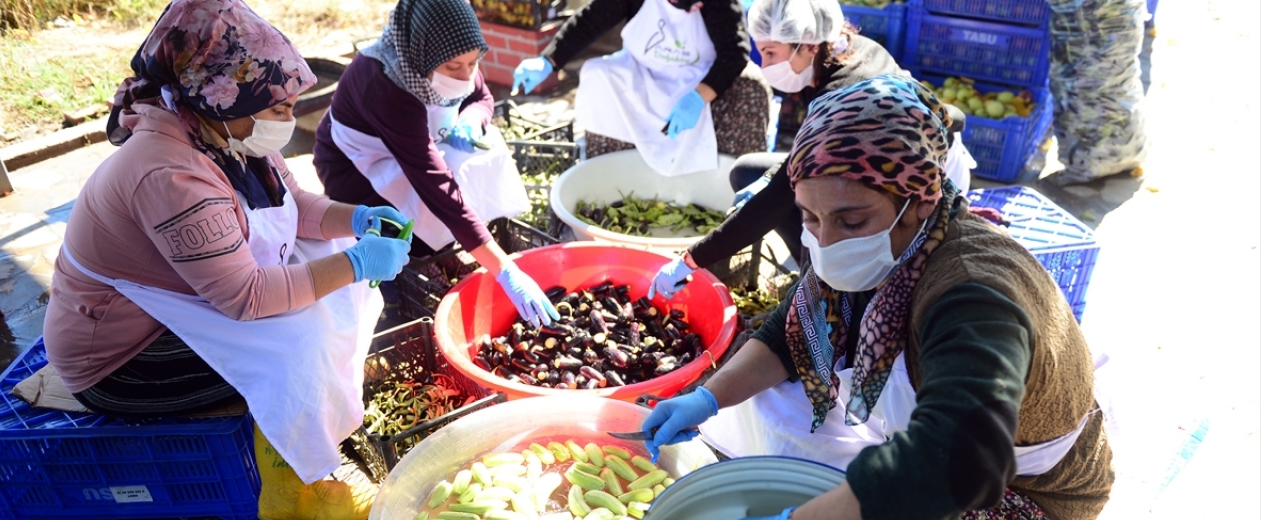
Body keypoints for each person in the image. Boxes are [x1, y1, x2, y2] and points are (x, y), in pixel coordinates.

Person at [642, 76, 1115, 520]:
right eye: (809, 219)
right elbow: (788, 335)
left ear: (919, 201)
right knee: (777, 413)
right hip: (920, 430)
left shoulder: (974, 297)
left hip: (1028, 490)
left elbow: (956, 462)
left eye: (851, 220)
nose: (825, 241)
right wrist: (706, 396)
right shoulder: (877, 252)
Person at [43, 0, 411, 520]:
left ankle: (317, 422)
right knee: (296, 338)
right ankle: (292, 491)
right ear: (218, 98)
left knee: (321, 279)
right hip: (123, 358)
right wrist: (356, 264)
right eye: (277, 105)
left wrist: (356, 220)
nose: (289, 115)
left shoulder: (222, 133)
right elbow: (248, 299)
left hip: (180, 305)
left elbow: (293, 204)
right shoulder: (169, 174)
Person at [646, 0, 976, 299]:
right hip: (886, 159)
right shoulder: (840, 53)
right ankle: (815, 276)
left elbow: (777, 194)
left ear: (807, 45)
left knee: (806, 209)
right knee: (748, 173)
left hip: (916, 181)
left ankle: (826, 288)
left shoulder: (843, 96)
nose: (765, 65)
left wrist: (693, 259)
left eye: (772, 53)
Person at [312, 0, 559, 327]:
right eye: (455, 67)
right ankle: (409, 274)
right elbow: (436, 185)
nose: (466, 74)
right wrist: (506, 270)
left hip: (416, 148)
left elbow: (481, 98)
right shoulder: (385, 82)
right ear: (422, 55)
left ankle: (445, 248)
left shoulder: (455, 52)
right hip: (357, 166)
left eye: (473, 63)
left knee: (478, 154)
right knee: (397, 225)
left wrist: (472, 119)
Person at [511, 0, 770, 176]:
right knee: (598, 75)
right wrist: (549, 60)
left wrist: (698, 98)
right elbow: (590, 20)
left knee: (751, 86)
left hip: (700, 79)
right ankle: (614, 174)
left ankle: (726, 185)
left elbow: (735, 54)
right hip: (641, 71)